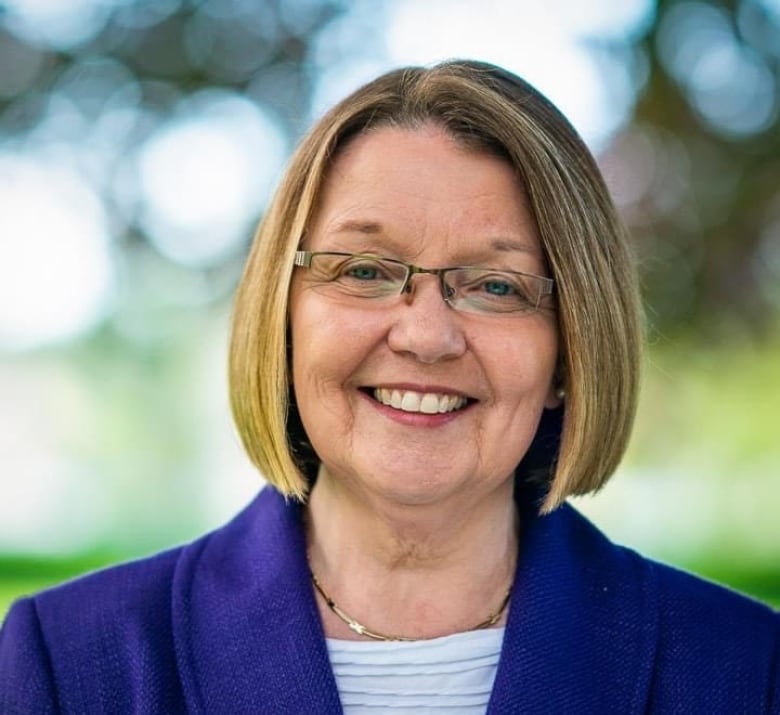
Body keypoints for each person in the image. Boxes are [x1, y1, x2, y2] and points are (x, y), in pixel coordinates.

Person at [1, 59, 778, 714]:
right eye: (365, 271)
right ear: (284, 316)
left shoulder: (745, 670)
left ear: (570, 353)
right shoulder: (70, 665)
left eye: (497, 286)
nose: (427, 335)